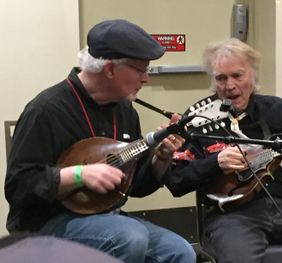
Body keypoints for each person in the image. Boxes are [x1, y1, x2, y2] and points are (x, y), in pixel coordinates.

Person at [5, 19, 196, 263]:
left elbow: (134, 187)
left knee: (180, 252)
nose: (146, 79)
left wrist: (161, 157)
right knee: (130, 237)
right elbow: (19, 185)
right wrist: (79, 175)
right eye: (141, 70)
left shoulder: (125, 112)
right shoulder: (47, 110)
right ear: (110, 69)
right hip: (44, 225)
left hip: (106, 218)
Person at [164, 38, 282, 263]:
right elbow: (176, 182)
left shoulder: (277, 110)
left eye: (237, 75)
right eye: (221, 78)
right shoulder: (197, 121)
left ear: (253, 75)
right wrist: (215, 164)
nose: (229, 85)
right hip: (230, 217)